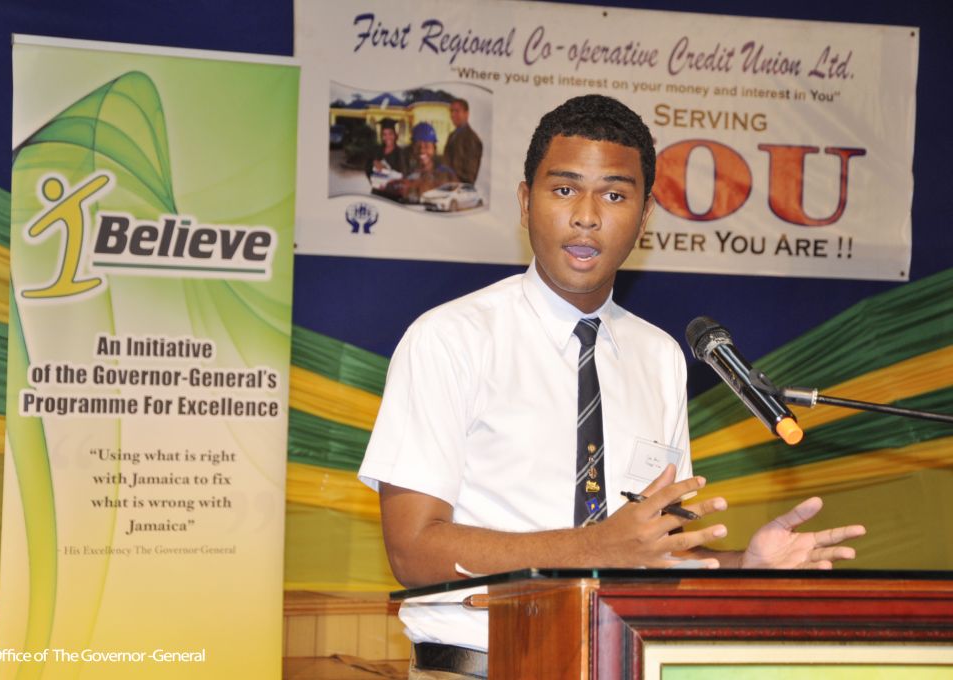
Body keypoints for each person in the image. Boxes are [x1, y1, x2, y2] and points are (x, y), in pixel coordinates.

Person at [358, 95, 865, 678]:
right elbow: (412, 550)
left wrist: (742, 565)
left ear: (645, 217)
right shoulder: (450, 340)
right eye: (565, 189)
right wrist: (593, 548)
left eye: (616, 195)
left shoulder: (661, 357)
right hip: (479, 667)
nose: (587, 216)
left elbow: (649, 549)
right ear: (526, 203)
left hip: (625, 663)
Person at [401, 122, 458, 203]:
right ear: (412, 149)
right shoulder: (409, 174)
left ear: (434, 148)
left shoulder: (446, 174)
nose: (421, 150)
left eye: (427, 146)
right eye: (417, 146)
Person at [442, 98, 483, 185]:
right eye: (451, 111)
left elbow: (470, 176)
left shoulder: (472, 139)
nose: (453, 114)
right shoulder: (452, 135)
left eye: (457, 111)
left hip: (460, 191)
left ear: (466, 114)